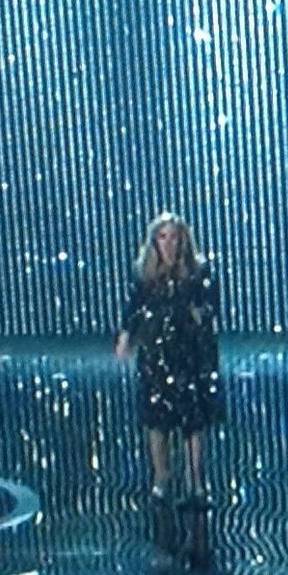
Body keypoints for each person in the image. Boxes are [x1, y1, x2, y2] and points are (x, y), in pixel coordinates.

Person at [115, 212, 222, 507]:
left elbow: (210, 307)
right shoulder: (145, 275)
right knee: (156, 419)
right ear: (154, 242)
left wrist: (199, 315)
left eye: (174, 237)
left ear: (184, 240)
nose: (169, 243)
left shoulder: (198, 272)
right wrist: (126, 336)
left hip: (190, 352)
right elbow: (133, 309)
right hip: (156, 354)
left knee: (193, 419)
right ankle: (162, 478)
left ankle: (195, 482)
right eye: (163, 237)